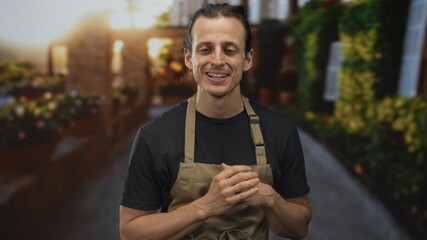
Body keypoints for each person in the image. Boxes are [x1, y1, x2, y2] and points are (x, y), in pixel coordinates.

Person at [120, 3, 311, 240]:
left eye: (230, 50)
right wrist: (205, 207)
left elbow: (299, 227)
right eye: (206, 49)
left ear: (248, 59)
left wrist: (269, 198)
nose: (217, 60)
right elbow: (130, 232)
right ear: (189, 58)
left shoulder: (280, 131)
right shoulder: (155, 136)